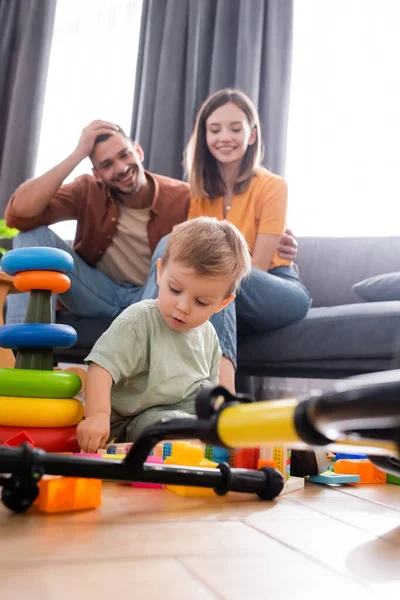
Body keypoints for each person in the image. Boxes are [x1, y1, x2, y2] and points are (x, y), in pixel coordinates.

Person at [4, 121, 297, 326]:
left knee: (171, 243)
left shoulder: (182, 196)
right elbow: (18, 215)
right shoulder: (87, 189)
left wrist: (275, 241)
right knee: (31, 236)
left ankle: (143, 335)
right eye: (107, 165)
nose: (120, 168)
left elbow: (223, 234)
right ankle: (21, 356)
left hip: (155, 296)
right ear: (96, 172)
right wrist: (77, 154)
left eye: (124, 155)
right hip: (99, 292)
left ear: (138, 152)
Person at [76, 217, 251, 453]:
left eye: (201, 302)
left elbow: (208, 391)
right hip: (134, 424)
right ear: (160, 273)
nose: (183, 306)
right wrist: (97, 416)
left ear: (223, 303)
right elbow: (101, 367)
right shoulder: (139, 320)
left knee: (228, 428)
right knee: (169, 428)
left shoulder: (209, 334)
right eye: (175, 290)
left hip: (186, 418)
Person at [184, 89, 312, 392]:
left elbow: (257, 266)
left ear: (252, 135)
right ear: (204, 136)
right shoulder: (198, 194)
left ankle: (220, 393)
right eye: (214, 130)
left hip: (275, 287)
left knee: (220, 273)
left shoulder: (273, 186)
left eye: (235, 128)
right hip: (224, 293)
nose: (224, 137)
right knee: (198, 272)